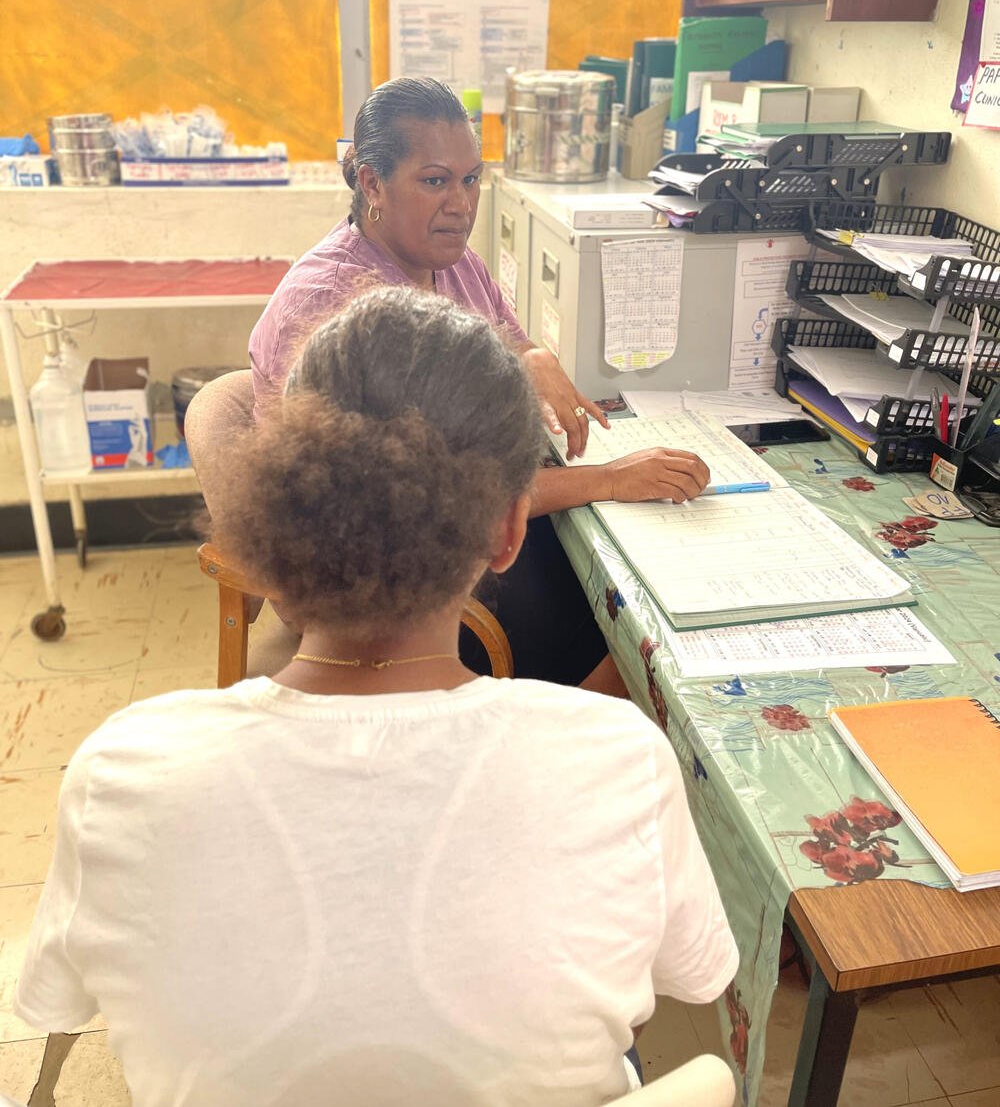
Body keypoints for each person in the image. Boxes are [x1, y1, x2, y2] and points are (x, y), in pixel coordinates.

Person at [16, 287, 738, 1107]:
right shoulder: (622, 759)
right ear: (509, 531)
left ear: (282, 501)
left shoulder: (122, 771)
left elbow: (63, 1001)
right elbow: (690, 975)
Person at [249, 77, 709, 692]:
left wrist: (531, 355)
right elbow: (415, 505)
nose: (462, 203)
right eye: (435, 181)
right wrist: (609, 479)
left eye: (472, 179)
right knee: (634, 628)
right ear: (371, 183)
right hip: (370, 577)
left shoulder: (454, 262)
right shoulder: (336, 302)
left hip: (449, 526)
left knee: (639, 574)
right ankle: (547, 753)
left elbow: (505, 354)